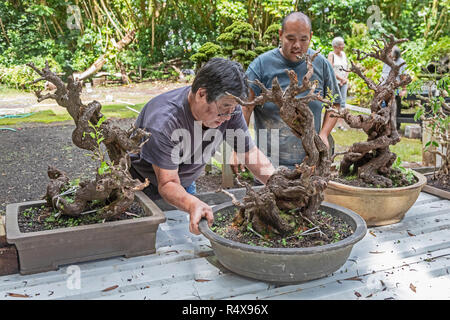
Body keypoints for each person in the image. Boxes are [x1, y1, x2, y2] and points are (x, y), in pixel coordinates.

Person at [129, 58, 275, 235]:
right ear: (201, 94)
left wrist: (278, 184)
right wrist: (192, 204)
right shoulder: (164, 121)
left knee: (186, 236)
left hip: (184, 184)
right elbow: (167, 183)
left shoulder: (230, 110)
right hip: (142, 188)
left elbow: (250, 153)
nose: (229, 116)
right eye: (224, 107)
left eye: (234, 108)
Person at [231, 11, 342, 174]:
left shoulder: (322, 64)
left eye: (303, 39)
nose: (297, 45)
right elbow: (244, 107)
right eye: (291, 39)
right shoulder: (261, 65)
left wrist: (324, 134)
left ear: (310, 36)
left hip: (310, 161)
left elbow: (336, 104)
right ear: (280, 34)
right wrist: (239, 147)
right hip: (267, 162)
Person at [328, 36, 349, 130]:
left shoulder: (344, 54)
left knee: (342, 103)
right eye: (341, 44)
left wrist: (344, 79)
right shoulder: (331, 54)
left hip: (343, 82)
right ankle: (330, 125)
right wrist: (340, 79)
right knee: (333, 103)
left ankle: (340, 124)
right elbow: (330, 69)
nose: (343, 46)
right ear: (336, 46)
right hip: (335, 82)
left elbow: (347, 67)